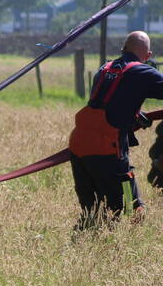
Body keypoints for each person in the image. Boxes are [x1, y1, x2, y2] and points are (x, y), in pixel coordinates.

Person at [68, 30, 163, 229]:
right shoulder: (143, 72)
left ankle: (83, 246)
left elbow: (109, 103)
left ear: (123, 49)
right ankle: (125, 243)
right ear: (147, 54)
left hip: (78, 147)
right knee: (129, 206)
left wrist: (136, 115)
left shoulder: (105, 69)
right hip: (107, 149)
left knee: (91, 211)